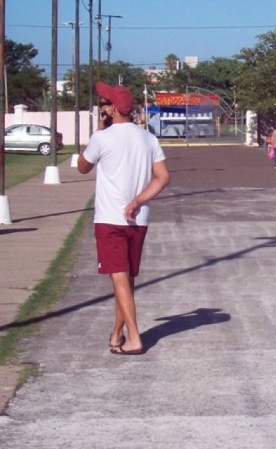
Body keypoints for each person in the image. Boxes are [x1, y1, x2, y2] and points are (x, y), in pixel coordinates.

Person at [77, 82, 171, 355]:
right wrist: (139, 201)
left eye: (105, 104)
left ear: (114, 109)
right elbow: (163, 177)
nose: (102, 108)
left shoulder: (102, 138)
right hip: (138, 220)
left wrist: (98, 130)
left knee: (120, 280)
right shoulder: (148, 138)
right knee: (125, 281)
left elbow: (83, 167)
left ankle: (134, 338)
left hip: (110, 220)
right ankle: (117, 334)